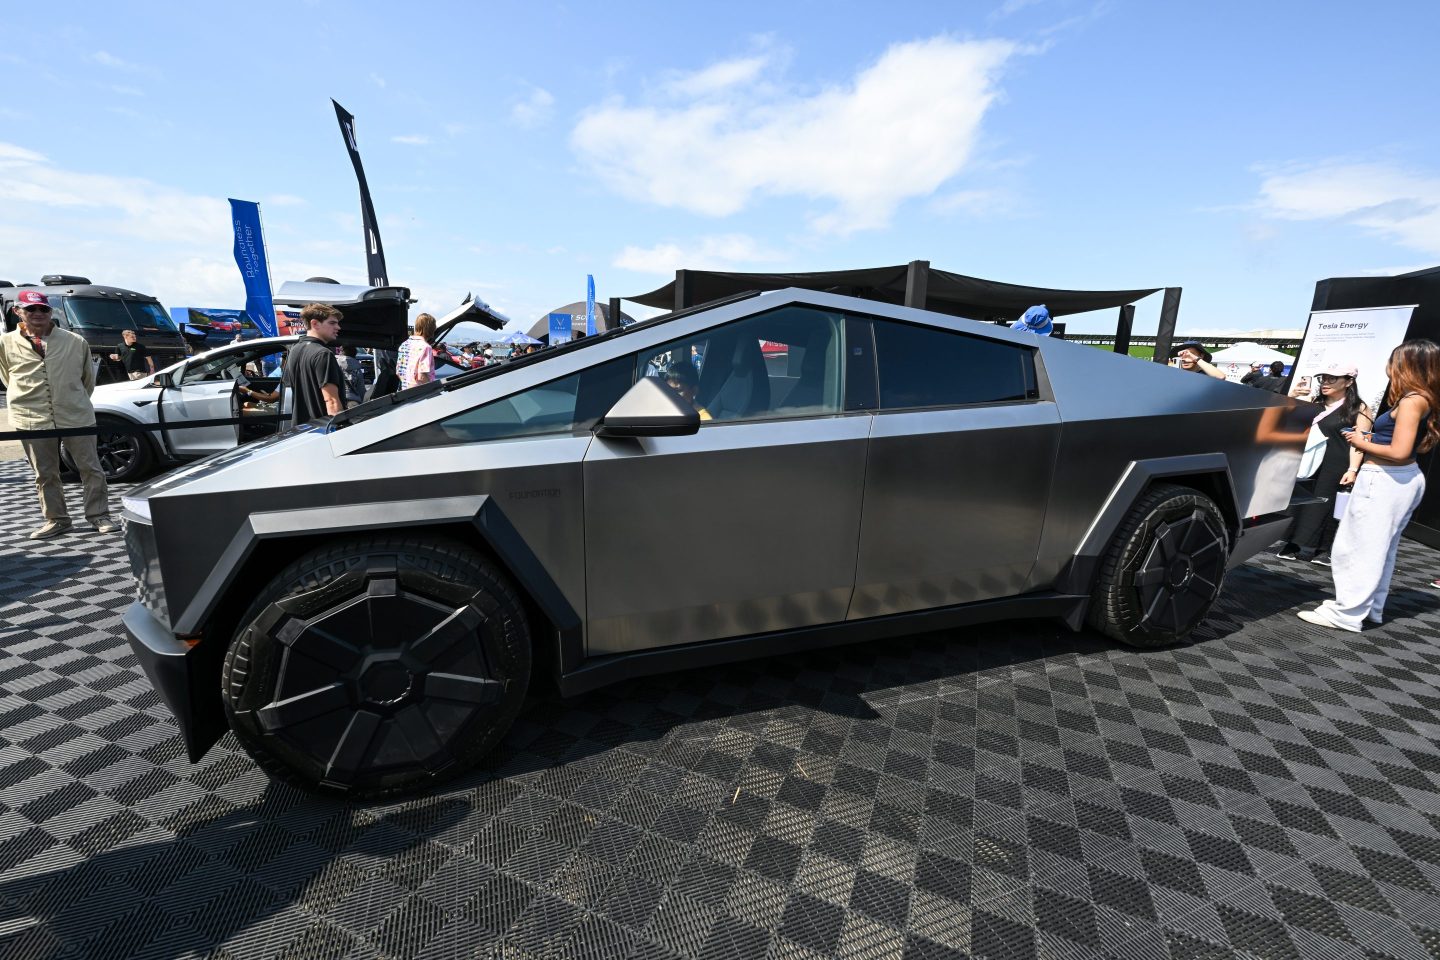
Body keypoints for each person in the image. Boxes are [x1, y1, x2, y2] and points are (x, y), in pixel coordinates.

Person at [1298, 340, 1439, 632]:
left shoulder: (1412, 401)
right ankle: (1368, 608)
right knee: (1379, 549)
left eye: (1394, 361)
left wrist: (1360, 442)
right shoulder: (1421, 399)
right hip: (1397, 479)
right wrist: (1371, 440)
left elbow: (1399, 451)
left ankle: (1347, 613)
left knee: (1360, 547)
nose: (1389, 367)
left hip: (1386, 479)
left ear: (1408, 365)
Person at [0, 290, 116, 539]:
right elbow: (7, 377)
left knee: (91, 468)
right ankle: (57, 520)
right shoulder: (5, 343)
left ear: (50, 311)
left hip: (75, 414)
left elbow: (87, 381)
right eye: (31, 309)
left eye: (43, 308)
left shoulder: (75, 341)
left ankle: (99, 515)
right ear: (17, 311)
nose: (38, 313)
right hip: (31, 417)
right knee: (44, 473)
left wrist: (70, 399)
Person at [1274, 361, 1371, 563]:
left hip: (1336, 463)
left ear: (1349, 382)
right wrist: (1293, 396)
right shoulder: (1313, 403)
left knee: (1325, 505)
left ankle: (1322, 549)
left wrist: (1353, 469)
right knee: (1300, 501)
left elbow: (1360, 443)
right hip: (1308, 460)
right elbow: (1282, 421)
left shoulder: (1359, 409)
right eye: (1323, 378)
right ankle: (1292, 542)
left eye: (1332, 379)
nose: (1325, 383)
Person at [280, 303, 345, 426]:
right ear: (315, 323)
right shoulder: (323, 354)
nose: (338, 327)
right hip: (323, 429)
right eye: (332, 323)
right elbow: (331, 401)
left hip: (301, 429)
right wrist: (340, 429)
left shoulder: (294, 350)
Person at [396, 313, 436, 389]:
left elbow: (398, 372)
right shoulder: (426, 347)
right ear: (431, 329)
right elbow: (422, 376)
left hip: (405, 390)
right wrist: (433, 389)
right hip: (420, 392)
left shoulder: (404, 345)